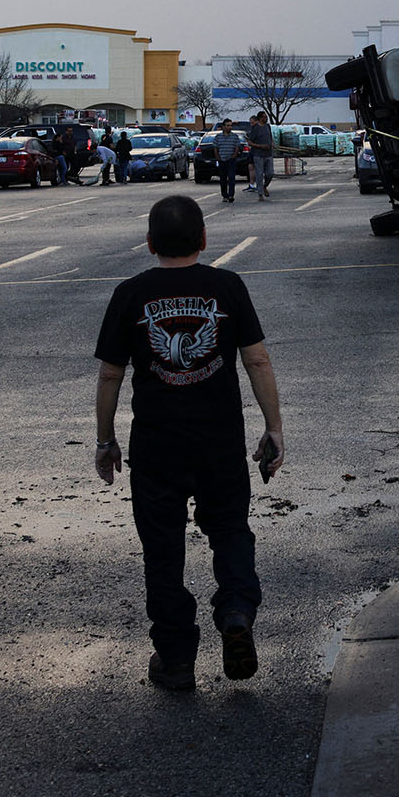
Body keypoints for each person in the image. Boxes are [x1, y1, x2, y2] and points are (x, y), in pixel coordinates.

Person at [93, 195, 283, 691]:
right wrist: (273, 427)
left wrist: (105, 439)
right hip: (219, 440)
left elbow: (111, 374)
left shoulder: (130, 293)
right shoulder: (228, 286)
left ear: (150, 241)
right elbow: (257, 361)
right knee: (231, 532)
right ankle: (237, 611)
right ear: (203, 239)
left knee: (162, 551)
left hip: (158, 446)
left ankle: (176, 658)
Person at [245, 113, 274, 201]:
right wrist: (261, 146)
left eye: (266, 117)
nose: (266, 119)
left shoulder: (268, 126)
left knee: (270, 173)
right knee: (259, 174)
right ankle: (260, 194)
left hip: (268, 154)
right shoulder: (256, 128)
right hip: (258, 155)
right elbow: (250, 142)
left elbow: (270, 137)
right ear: (260, 118)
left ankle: (264, 186)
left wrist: (272, 143)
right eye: (264, 117)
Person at [211, 120, 241, 203]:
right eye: (228, 125)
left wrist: (234, 155)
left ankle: (231, 195)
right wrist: (217, 157)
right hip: (222, 160)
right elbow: (215, 147)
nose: (229, 127)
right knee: (223, 179)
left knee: (231, 177)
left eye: (230, 125)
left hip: (231, 160)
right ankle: (224, 195)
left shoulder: (234, 136)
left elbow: (237, 146)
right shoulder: (218, 137)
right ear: (223, 127)